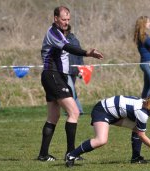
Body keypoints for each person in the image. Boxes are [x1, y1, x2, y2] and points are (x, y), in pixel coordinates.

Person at [37, 6, 103, 162]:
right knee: (74, 112)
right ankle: (71, 153)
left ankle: (43, 154)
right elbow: (68, 47)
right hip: (52, 75)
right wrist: (87, 53)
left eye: (68, 20)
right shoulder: (53, 32)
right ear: (55, 18)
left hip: (55, 76)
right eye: (63, 19)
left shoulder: (60, 32)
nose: (66, 22)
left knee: (53, 116)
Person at [65, 92, 150, 167]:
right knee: (101, 140)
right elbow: (142, 136)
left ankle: (136, 158)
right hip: (102, 110)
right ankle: (71, 155)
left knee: (137, 128)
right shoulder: (142, 112)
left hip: (115, 114)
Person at [134, 16, 150, 98]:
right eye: (148, 22)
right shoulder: (144, 36)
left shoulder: (140, 36)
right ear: (144, 24)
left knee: (147, 86)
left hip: (144, 63)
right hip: (148, 63)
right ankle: (148, 105)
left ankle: (142, 104)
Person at [64, 25, 84, 114]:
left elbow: (79, 56)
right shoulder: (73, 40)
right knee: (69, 90)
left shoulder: (71, 41)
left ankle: (76, 110)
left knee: (70, 90)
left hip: (71, 70)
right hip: (68, 70)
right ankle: (75, 110)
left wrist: (81, 69)